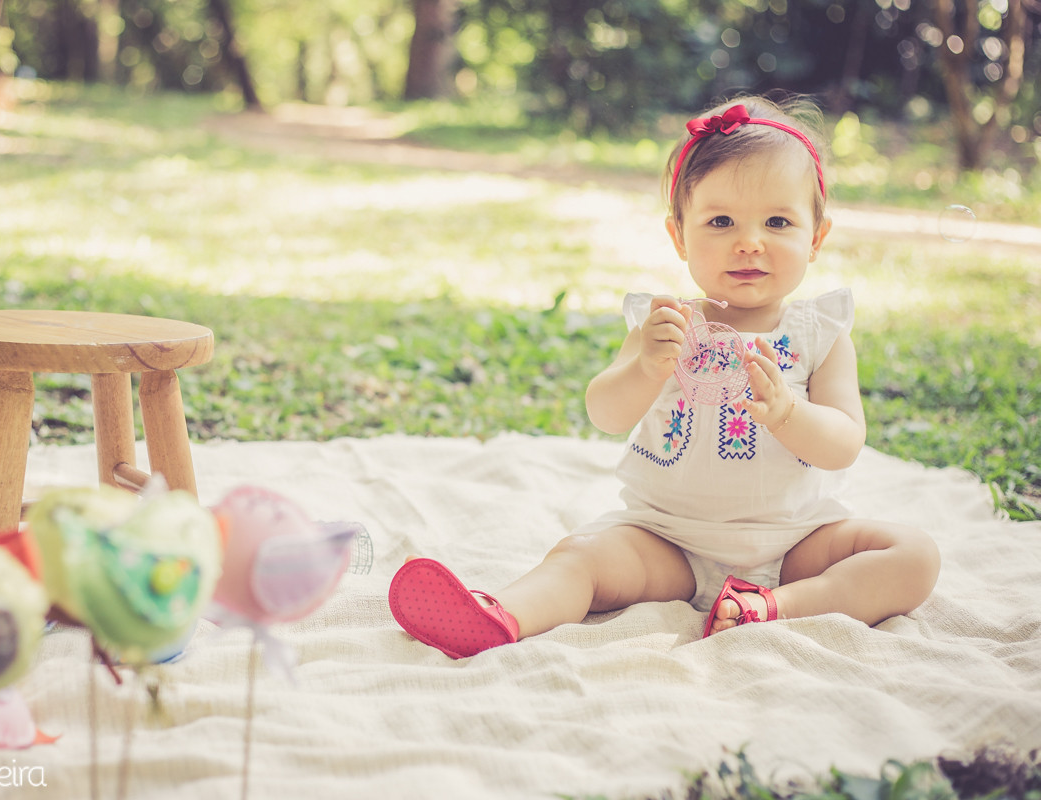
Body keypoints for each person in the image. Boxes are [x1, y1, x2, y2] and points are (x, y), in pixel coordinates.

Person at [387, 94, 941, 659]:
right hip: (668, 539)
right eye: (720, 221)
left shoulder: (820, 333)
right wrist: (646, 368)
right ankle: (501, 614)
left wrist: (789, 414)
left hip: (797, 541)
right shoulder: (668, 324)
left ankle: (773, 607)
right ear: (679, 236)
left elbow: (845, 442)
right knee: (580, 554)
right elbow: (605, 412)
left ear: (816, 237)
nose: (750, 241)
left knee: (915, 556)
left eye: (778, 221)